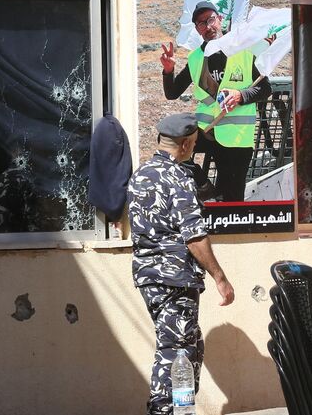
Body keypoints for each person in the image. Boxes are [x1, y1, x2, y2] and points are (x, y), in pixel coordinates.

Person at [128, 112, 235, 415]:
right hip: (174, 277)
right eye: (195, 143)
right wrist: (220, 277)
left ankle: (178, 408)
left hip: (149, 277)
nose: (194, 148)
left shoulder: (141, 175)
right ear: (186, 144)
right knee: (177, 351)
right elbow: (194, 235)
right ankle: (166, 411)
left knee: (187, 344)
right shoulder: (178, 177)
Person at [161, 1, 272, 201]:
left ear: (220, 19)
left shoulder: (244, 51)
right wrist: (168, 71)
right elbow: (172, 93)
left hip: (236, 137)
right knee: (169, 143)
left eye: (211, 20)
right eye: (201, 23)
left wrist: (240, 96)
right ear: (197, 29)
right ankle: (203, 185)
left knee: (231, 199)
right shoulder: (196, 58)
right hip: (206, 131)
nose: (208, 26)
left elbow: (265, 89)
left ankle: (220, 203)